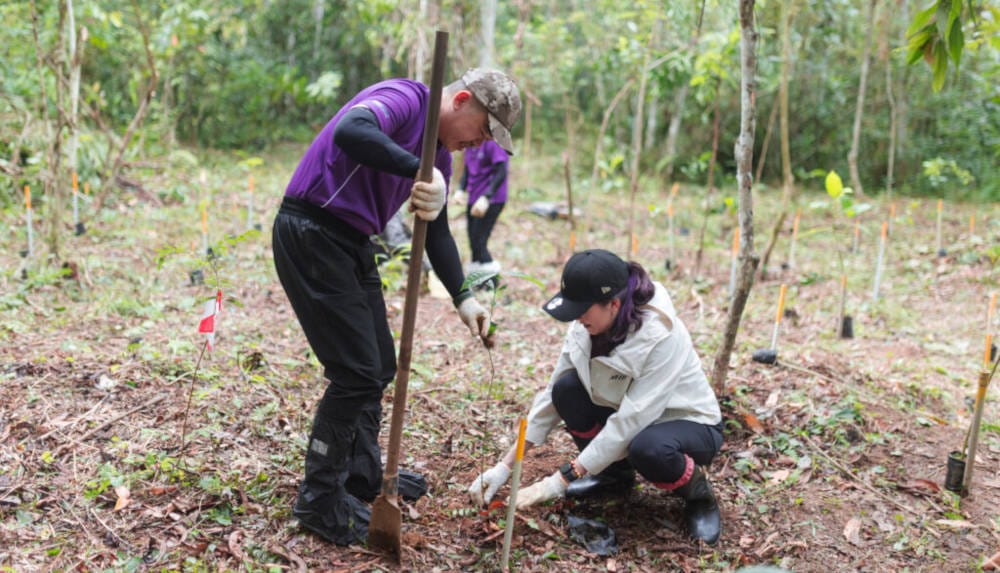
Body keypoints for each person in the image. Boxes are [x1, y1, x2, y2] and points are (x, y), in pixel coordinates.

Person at [272, 68, 521, 546]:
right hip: (312, 230)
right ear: (463, 100)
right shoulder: (406, 98)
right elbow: (351, 131)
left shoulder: (441, 161)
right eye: (484, 130)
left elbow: (439, 234)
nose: (482, 143)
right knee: (356, 371)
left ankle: (361, 473)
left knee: (379, 365)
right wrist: (417, 169)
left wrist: (463, 297)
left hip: (352, 242)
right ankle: (319, 498)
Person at [467, 249, 724, 545]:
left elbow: (631, 422)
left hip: (688, 422)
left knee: (648, 448)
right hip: (627, 412)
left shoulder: (662, 336)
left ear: (613, 304)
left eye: (582, 309)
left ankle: (698, 494)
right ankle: (614, 477)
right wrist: (505, 465)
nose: (575, 318)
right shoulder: (586, 325)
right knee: (567, 391)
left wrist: (560, 480)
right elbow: (552, 396)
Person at [454, 139, 510, 277]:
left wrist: (487, 196)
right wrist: (461, 189)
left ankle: (492, 280)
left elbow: (502, 171)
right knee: (472, 240)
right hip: (474, 197)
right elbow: (468, 169)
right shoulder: (469, 142)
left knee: (479, 240)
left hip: (492, 199)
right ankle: (478, 279)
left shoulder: (492, 142)